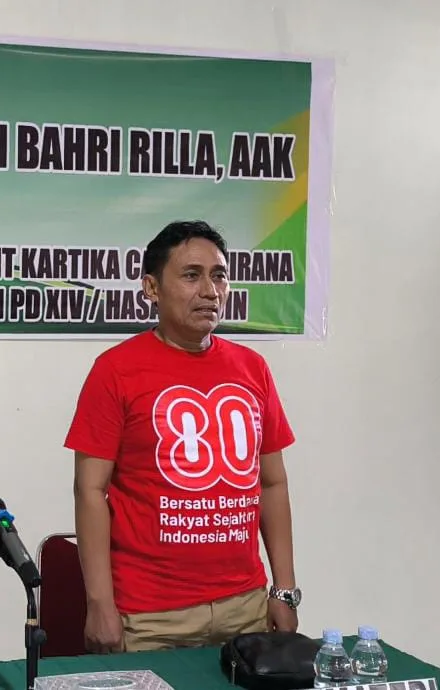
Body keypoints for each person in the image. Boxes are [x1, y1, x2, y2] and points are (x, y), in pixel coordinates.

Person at [64, 220, 301, 653]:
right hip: (150, 615)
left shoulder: (253, 368)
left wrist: (283, 589)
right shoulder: (115, 370)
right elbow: (90, 490)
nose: (210, 291)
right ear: (152, 288)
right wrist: (99, 603)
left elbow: (273, 482)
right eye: (192, 275)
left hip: (245, 606)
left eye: (219, 275)